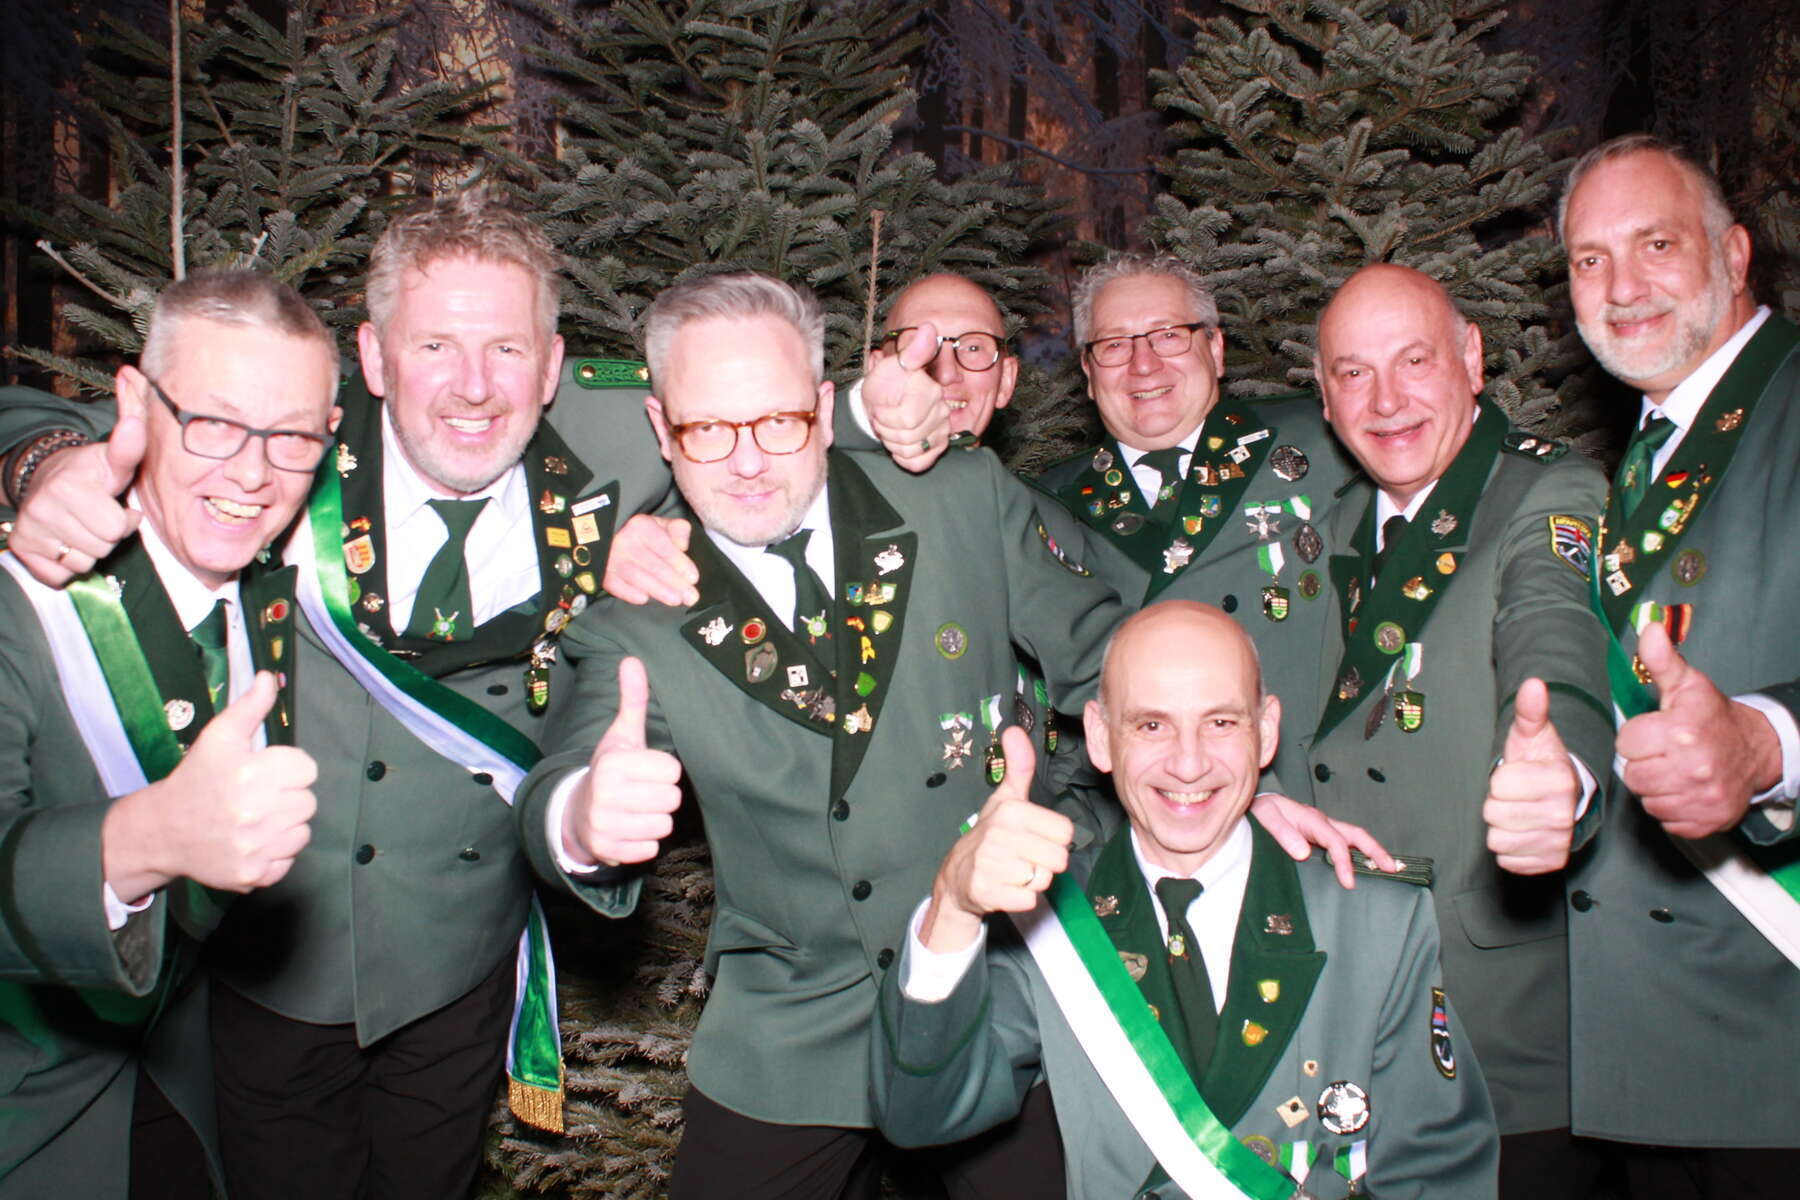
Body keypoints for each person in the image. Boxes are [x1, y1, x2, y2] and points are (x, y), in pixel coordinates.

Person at [0, 192, 673, 1198]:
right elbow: (93, 426)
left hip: (458, 962)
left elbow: (771, 417)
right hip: (271, 966)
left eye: (506, 349)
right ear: (373, 358)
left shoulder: (618, 443)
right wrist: (40, 467)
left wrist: (889, 409)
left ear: (551, 367)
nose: (474, 385)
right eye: (434, 345)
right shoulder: (278, 433)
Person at [516, 270, 1134, 1198]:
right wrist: (580, 820)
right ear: (661, 430)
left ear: (825, 408)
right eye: (707, 429)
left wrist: (1237, 777)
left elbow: (1113, 665)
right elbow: (564, 774)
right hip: (794, 1024)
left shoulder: (956, 497)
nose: (747, 462)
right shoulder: (642, 610)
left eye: (778, 422)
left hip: (996, 990)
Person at [870, 600, 1499, 1198]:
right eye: (1152, 725)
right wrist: (952, 908)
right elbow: (918, 1115)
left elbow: (1437, 1169)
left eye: (1220, 723)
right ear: (1100, 737)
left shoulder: (1376, 920)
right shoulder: (1053, 922)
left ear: (1266, 731)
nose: (1189, 764)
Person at [0, 269, 337, 1196]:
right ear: (135, 404)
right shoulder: (24, 588)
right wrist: (146, 841)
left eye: (292, 437)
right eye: (215, 423)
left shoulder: (271, 578)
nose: (253, 473)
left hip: (183, 1090)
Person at [1303, 264, 1613, 1192]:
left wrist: (1566, 768)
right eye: (1353, 373)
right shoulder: (1329, 527)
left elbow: (1551, 623)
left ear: (1472, 359)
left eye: (1414, 361)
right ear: (1324, 396)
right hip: (1343, 1034)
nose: (1386, 401)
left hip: (1499, 1038)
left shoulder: (1546, 492)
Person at [1556, 133, 1800, 1195]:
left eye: (1656, 244)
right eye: (1590, 259)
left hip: (1774, 1030)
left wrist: (1769, 743)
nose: (1621, 288)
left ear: (1733, 254)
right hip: (1654, 1050)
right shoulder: (1652, 447)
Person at [1028, 254, 1357, 811]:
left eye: (1168, 335)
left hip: (1334, 813)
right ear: (1088, 372)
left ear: (1216, 348)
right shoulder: (1050, 505)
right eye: (1114, 344)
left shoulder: (1320, 441)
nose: (1143, 364)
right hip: (1163, 822)